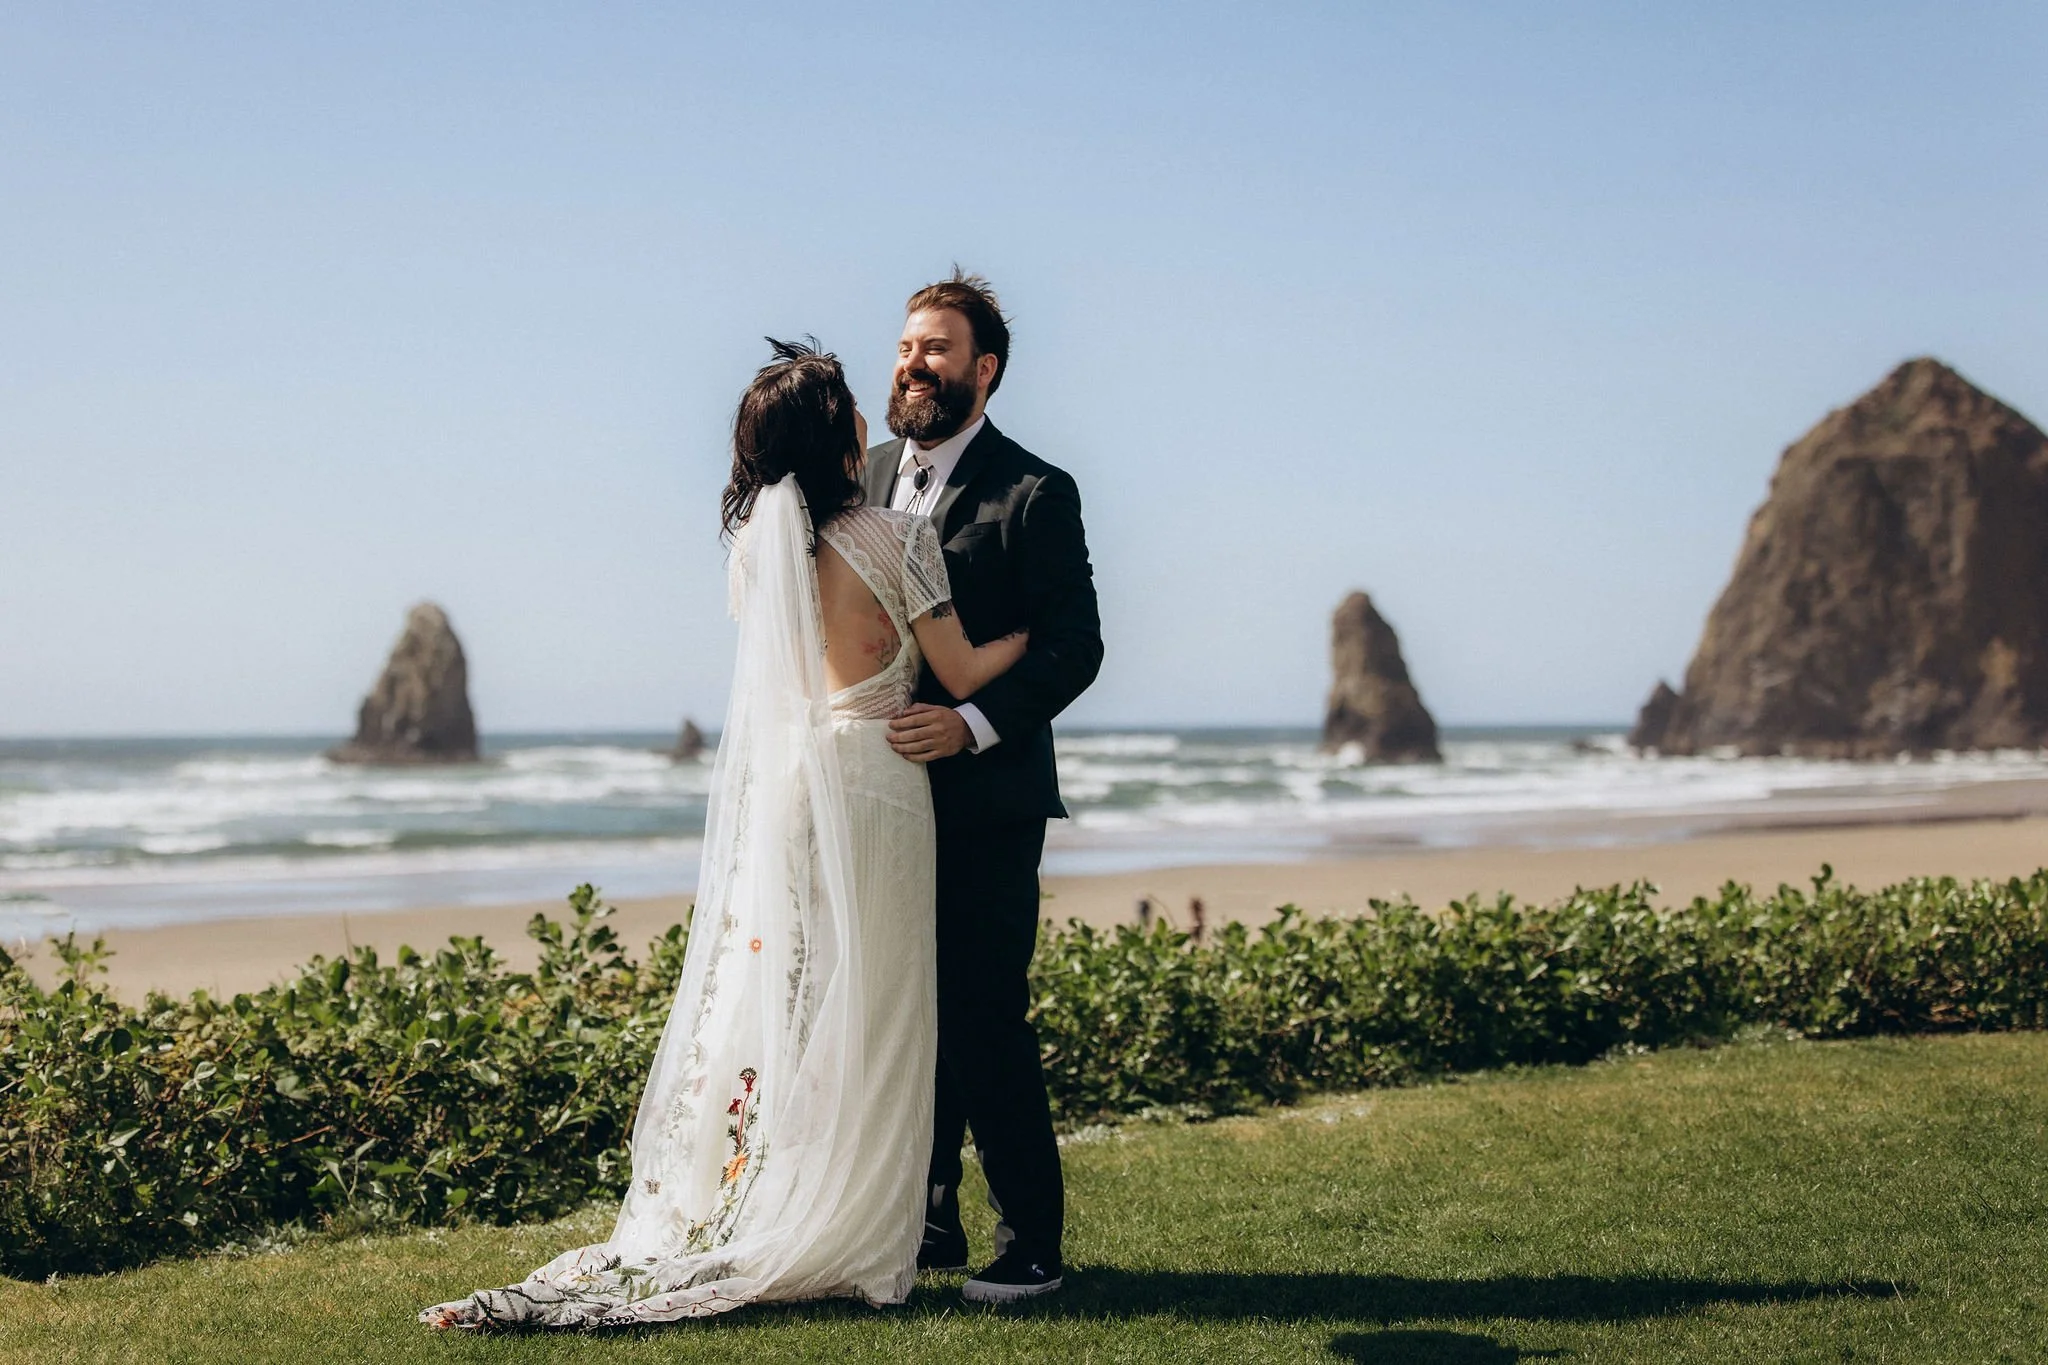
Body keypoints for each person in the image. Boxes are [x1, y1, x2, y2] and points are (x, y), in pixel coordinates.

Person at [419, 339, 1028, 1329]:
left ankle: (779, 1194)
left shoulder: (755, 550)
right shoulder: (895, 537)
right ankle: (869, 1244)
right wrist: (1030, 640)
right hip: (877, 777)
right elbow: (956, 673)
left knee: (792, 1000)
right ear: (837, 436)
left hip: (792, 783)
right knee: (875, 1006)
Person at [869, 271, 1104, 1303]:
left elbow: (1075, 649)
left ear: (983, 370)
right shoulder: (861, 476)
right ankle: (926, 1229)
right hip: (871, 802)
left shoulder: (1032, 492)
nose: (913, 365)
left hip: (986, 804)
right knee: (902, 1019)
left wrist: (966, 726)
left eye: (935, 350)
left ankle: (1032, 1246)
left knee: (981, 1019)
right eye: (907, 347)